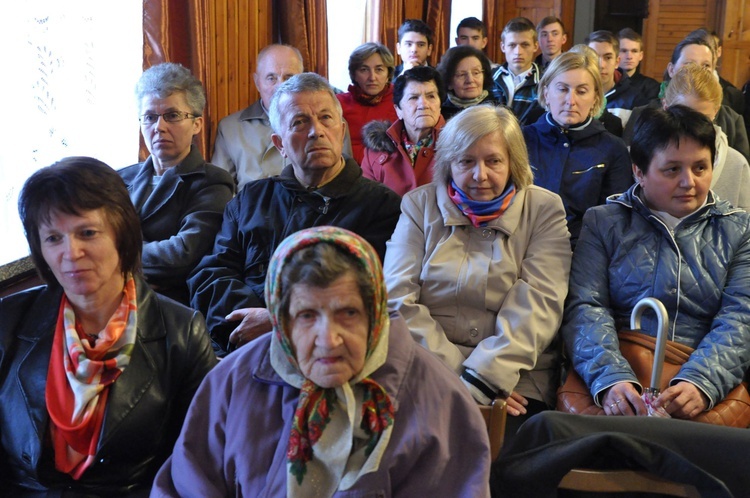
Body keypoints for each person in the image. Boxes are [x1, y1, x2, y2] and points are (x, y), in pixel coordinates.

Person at [153, 227, 491, 497]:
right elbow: (187, 487)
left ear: (374, 315)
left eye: (348, 313)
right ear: (282, 322)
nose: (328, 339)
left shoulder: (437, 396)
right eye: (307, 315)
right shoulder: (233, 380)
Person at [1, 157, 217, 496]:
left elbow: (194, 460)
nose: (71, 253)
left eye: (87, 232)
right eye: (53, 238)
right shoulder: (9, 320)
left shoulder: (182, 331)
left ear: (122, 233)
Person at [383, 105, 572, 443]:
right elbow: (396, 298)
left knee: (502, 458)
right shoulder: (418, 206)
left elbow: (539, 304)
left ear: (512, 162)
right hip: (423, 368)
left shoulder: (543, 209)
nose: (479, 175)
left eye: (493, 161)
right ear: (448, 165)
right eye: (466, 161)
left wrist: (487, 377)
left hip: (514, 377)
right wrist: (459, 378)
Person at [189, 73, 402, 357]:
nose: (316, 131)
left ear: (341, 129)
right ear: (280, 144)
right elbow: (211, 275)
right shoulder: (251, 199)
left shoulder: (382, 206)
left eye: (326, 118)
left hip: (330, 352)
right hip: (241, 345)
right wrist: (248, 321)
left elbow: (371, 295)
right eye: (300, 122)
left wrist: (278, 321)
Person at [562, 105, 750, 420]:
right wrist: (610, 377)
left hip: (704, 379)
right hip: (622, 368)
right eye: (672, 169)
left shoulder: (738, 229)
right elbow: (586, 307)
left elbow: (741, 318)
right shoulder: (605, 222)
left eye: (700, 168)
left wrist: (701, 381)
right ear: (639, 171)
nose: (689, 182)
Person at [118, 62, 234, 305]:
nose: (159, 127)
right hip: (113, 300)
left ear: (196, 125)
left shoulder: (212, 182)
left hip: (171, 309)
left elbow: (183, 254)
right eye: (149, 117)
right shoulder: (119, 179)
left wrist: (117, 256)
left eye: (172, 116)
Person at [523, 50, 633, 245]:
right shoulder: (522, 139)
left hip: (583, 248)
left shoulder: (613, 149)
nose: (571, 101)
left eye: (581, 91)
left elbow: (614, 220)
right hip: (522, 242)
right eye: (562, 89)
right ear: (546, 92)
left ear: (595, 98)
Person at [626, 33, 750, 160]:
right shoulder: (642, 114)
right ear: (671, 70)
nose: (697, 70)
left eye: (706, 65)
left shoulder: (732, 121)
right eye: (689, 64)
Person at [211, 44, 304, 190]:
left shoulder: (326, 125)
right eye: (271, 78)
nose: (280, 86)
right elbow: (219, 189)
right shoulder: (230, 128)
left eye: (289, 77)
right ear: (257, 82)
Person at [663, 63, 750, 209]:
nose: (692, 128)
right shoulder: (649, 156)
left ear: (716, 112)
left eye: (703, 119)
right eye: (684, 116)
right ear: (665, 107)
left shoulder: (736, 164)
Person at [360, 66, 445, 196]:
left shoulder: (457, 145)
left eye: (431, 96)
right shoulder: (375, 151)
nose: (424, 104)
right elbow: (365, 202)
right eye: (413, 98)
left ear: (439, 106)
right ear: (398, 110)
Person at [336, 43, 398, 164]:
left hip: (387, 175)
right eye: (364, 70)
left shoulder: (402, 101)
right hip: (346, 172)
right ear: (354, 74)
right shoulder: (338, 103)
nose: (372, 77)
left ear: (388, 74)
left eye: (379, 69)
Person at [586, 30, 649, 128]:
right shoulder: (573, 96)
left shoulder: (636, 100)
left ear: (617, 62)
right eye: (594, 57)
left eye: (608, 58)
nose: (601, 65)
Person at [491, 17, 544, 125]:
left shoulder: (545, 81)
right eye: (512, 45)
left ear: (535, 46)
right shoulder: (489, 78)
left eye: (525, 45)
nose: (518, 52)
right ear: (503, 47)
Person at [437, 45, 496, 120]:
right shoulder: (440, 115)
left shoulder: (498, 112)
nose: (470, 80)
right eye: (461, 75)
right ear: (449, 82)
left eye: (476, 73)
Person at [617, 27, 660, 102]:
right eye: (623, 51)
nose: (629, 57)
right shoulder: (606, 84)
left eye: (634, 51)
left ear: (641, 56)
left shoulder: (652, 87)